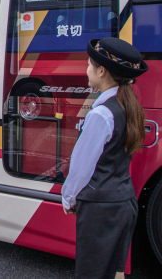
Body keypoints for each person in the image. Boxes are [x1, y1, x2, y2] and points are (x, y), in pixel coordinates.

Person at [62, 37, 148, 279]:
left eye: (89, 64)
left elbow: (82, 166)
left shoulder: (101, 113)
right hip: (124, 203)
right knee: (116, 272)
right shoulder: (129, 104)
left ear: (102, 71)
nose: (86, 69)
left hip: (101, 211)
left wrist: (68, 198)